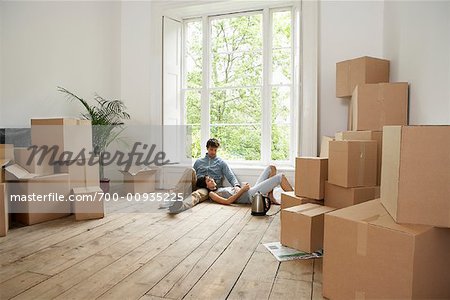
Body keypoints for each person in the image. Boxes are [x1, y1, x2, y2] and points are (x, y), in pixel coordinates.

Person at [168, 138, 240, 213]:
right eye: (211, 149)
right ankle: (172, 199)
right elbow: (191, 176)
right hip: (197, 183)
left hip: (207, 189)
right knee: (190, 170)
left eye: (215, 150)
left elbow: (230, 175)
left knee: (196, 195)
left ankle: (179, 206)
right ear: (207, 148)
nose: (213, 152)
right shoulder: (199, 161)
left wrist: (237, 186)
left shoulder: (221, 163)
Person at [196, 165, 293, 206]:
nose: (212, 179)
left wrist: (238, 188)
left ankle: (270, 196)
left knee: (271, 168)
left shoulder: (219, 188)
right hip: (250, 196)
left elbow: (234, 192)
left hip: (249, 191)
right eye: (208, 180)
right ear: (206, 186)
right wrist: (242, 190)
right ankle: (295, 203)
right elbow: (227, 201)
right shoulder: (212, 194)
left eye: (210, 178)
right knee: (280, 177)